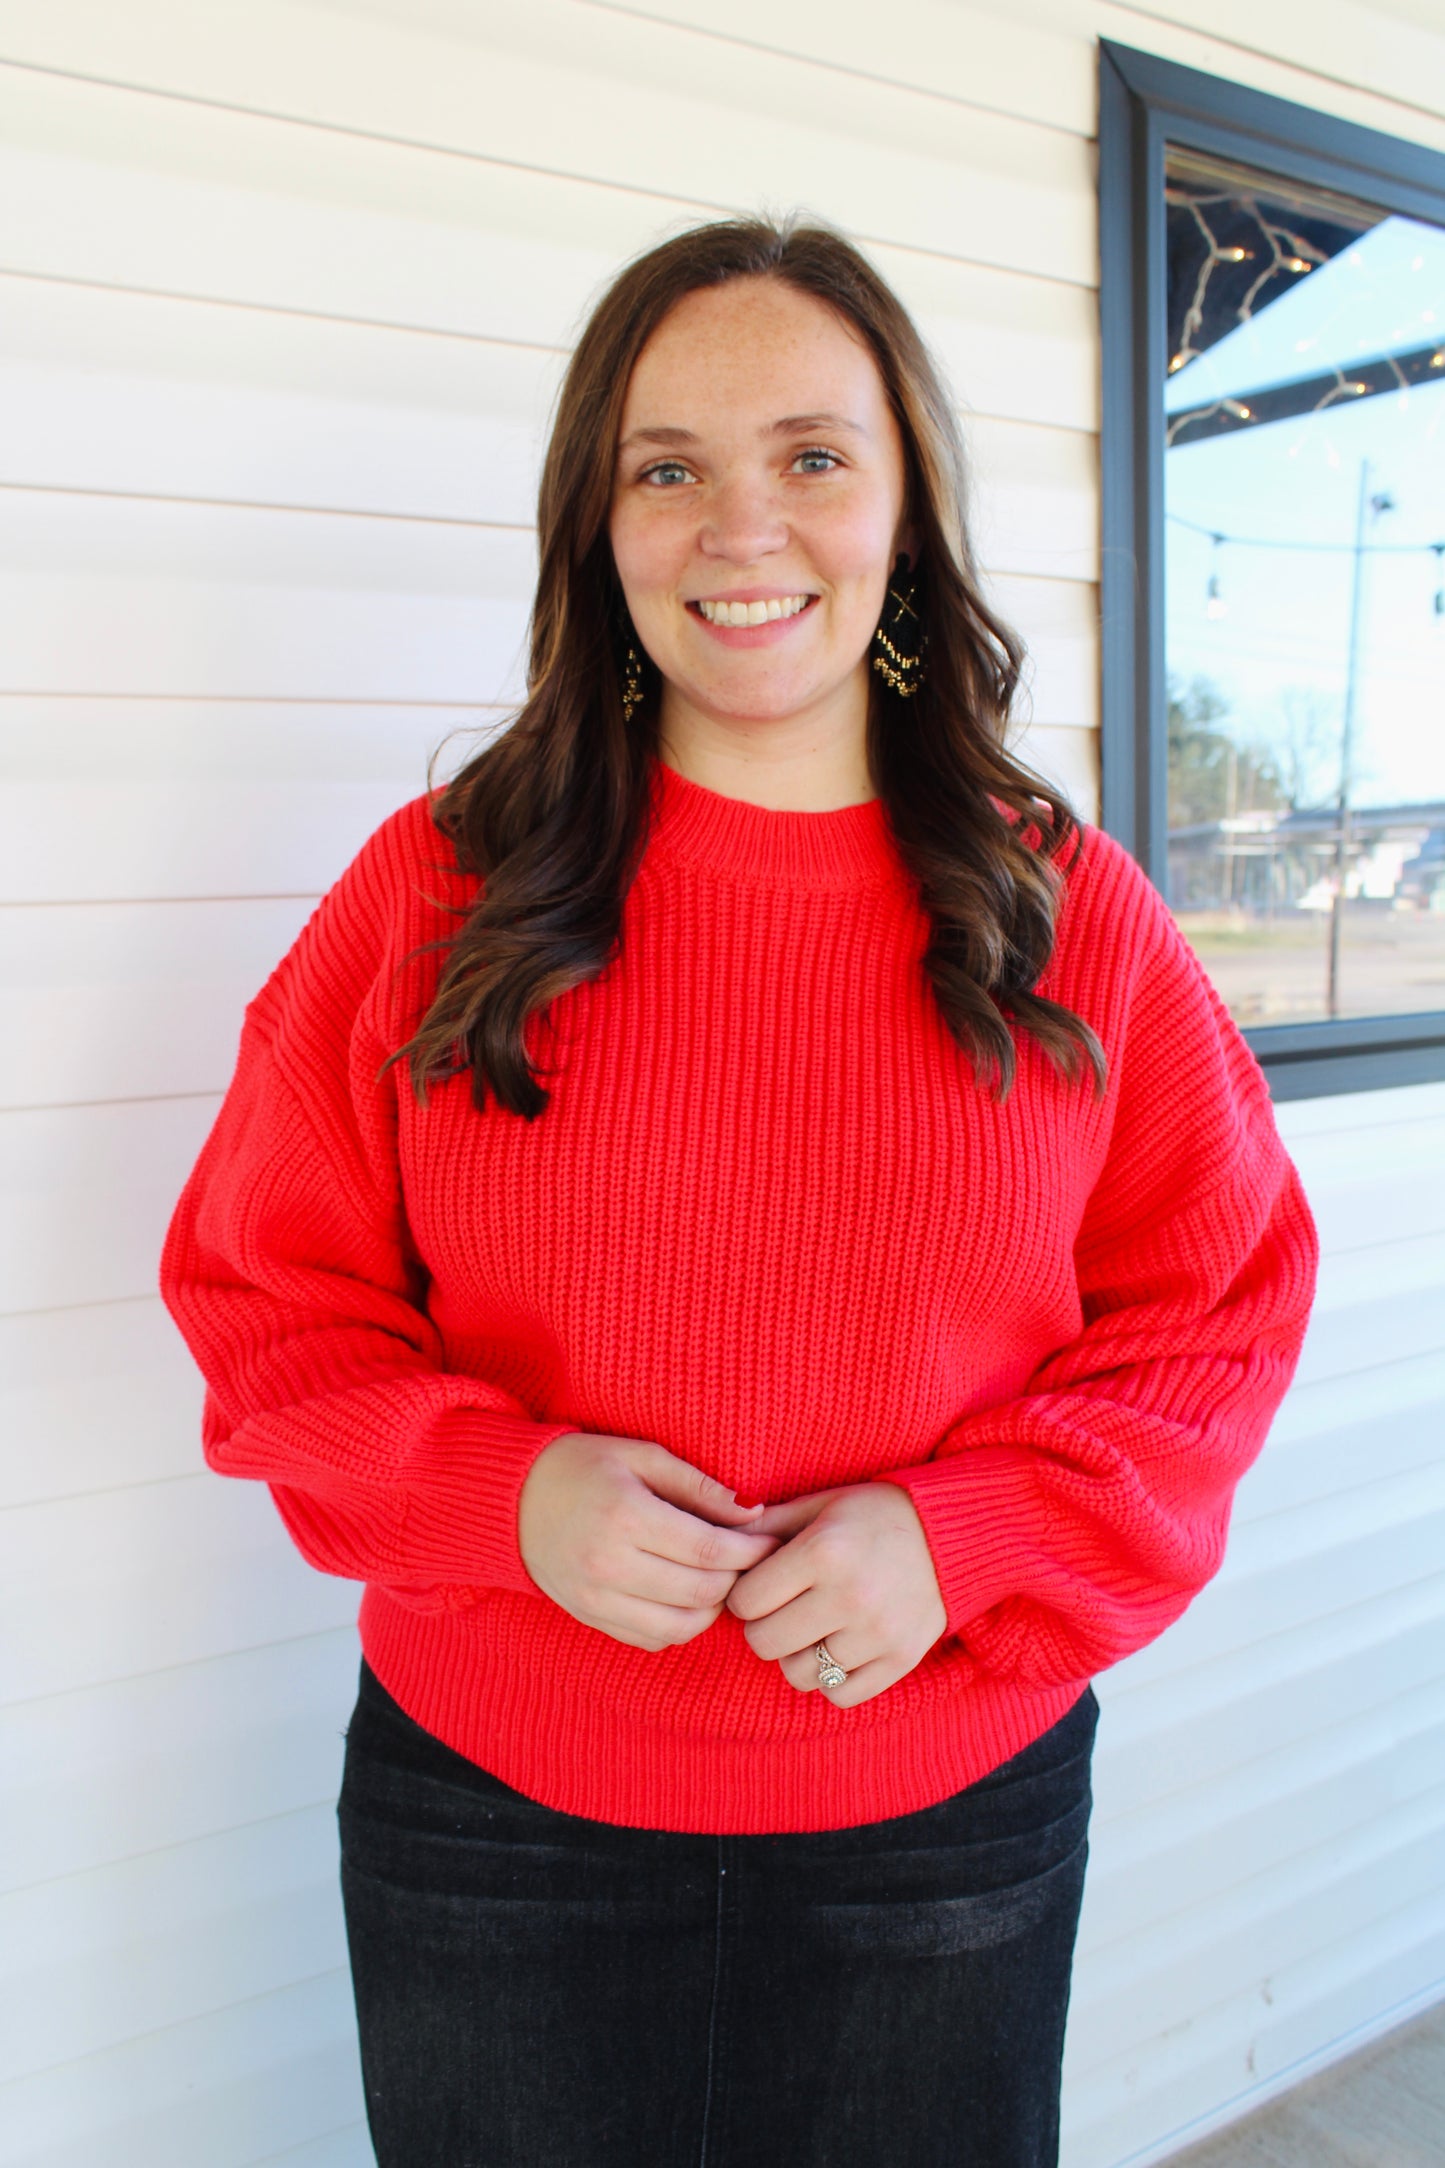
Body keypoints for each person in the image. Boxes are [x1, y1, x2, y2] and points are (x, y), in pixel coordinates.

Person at [159, 213, 1319, 2167]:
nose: (739, 527)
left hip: (940, 1843)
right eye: (666, 468)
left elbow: (1221, 1317)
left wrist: (964, 1538)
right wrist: (500, 1493)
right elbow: (265, 1300)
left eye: (810, 455)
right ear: (596, 530)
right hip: (494, 1833)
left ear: (907, 510)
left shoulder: (1068, 914)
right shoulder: (442, 892)